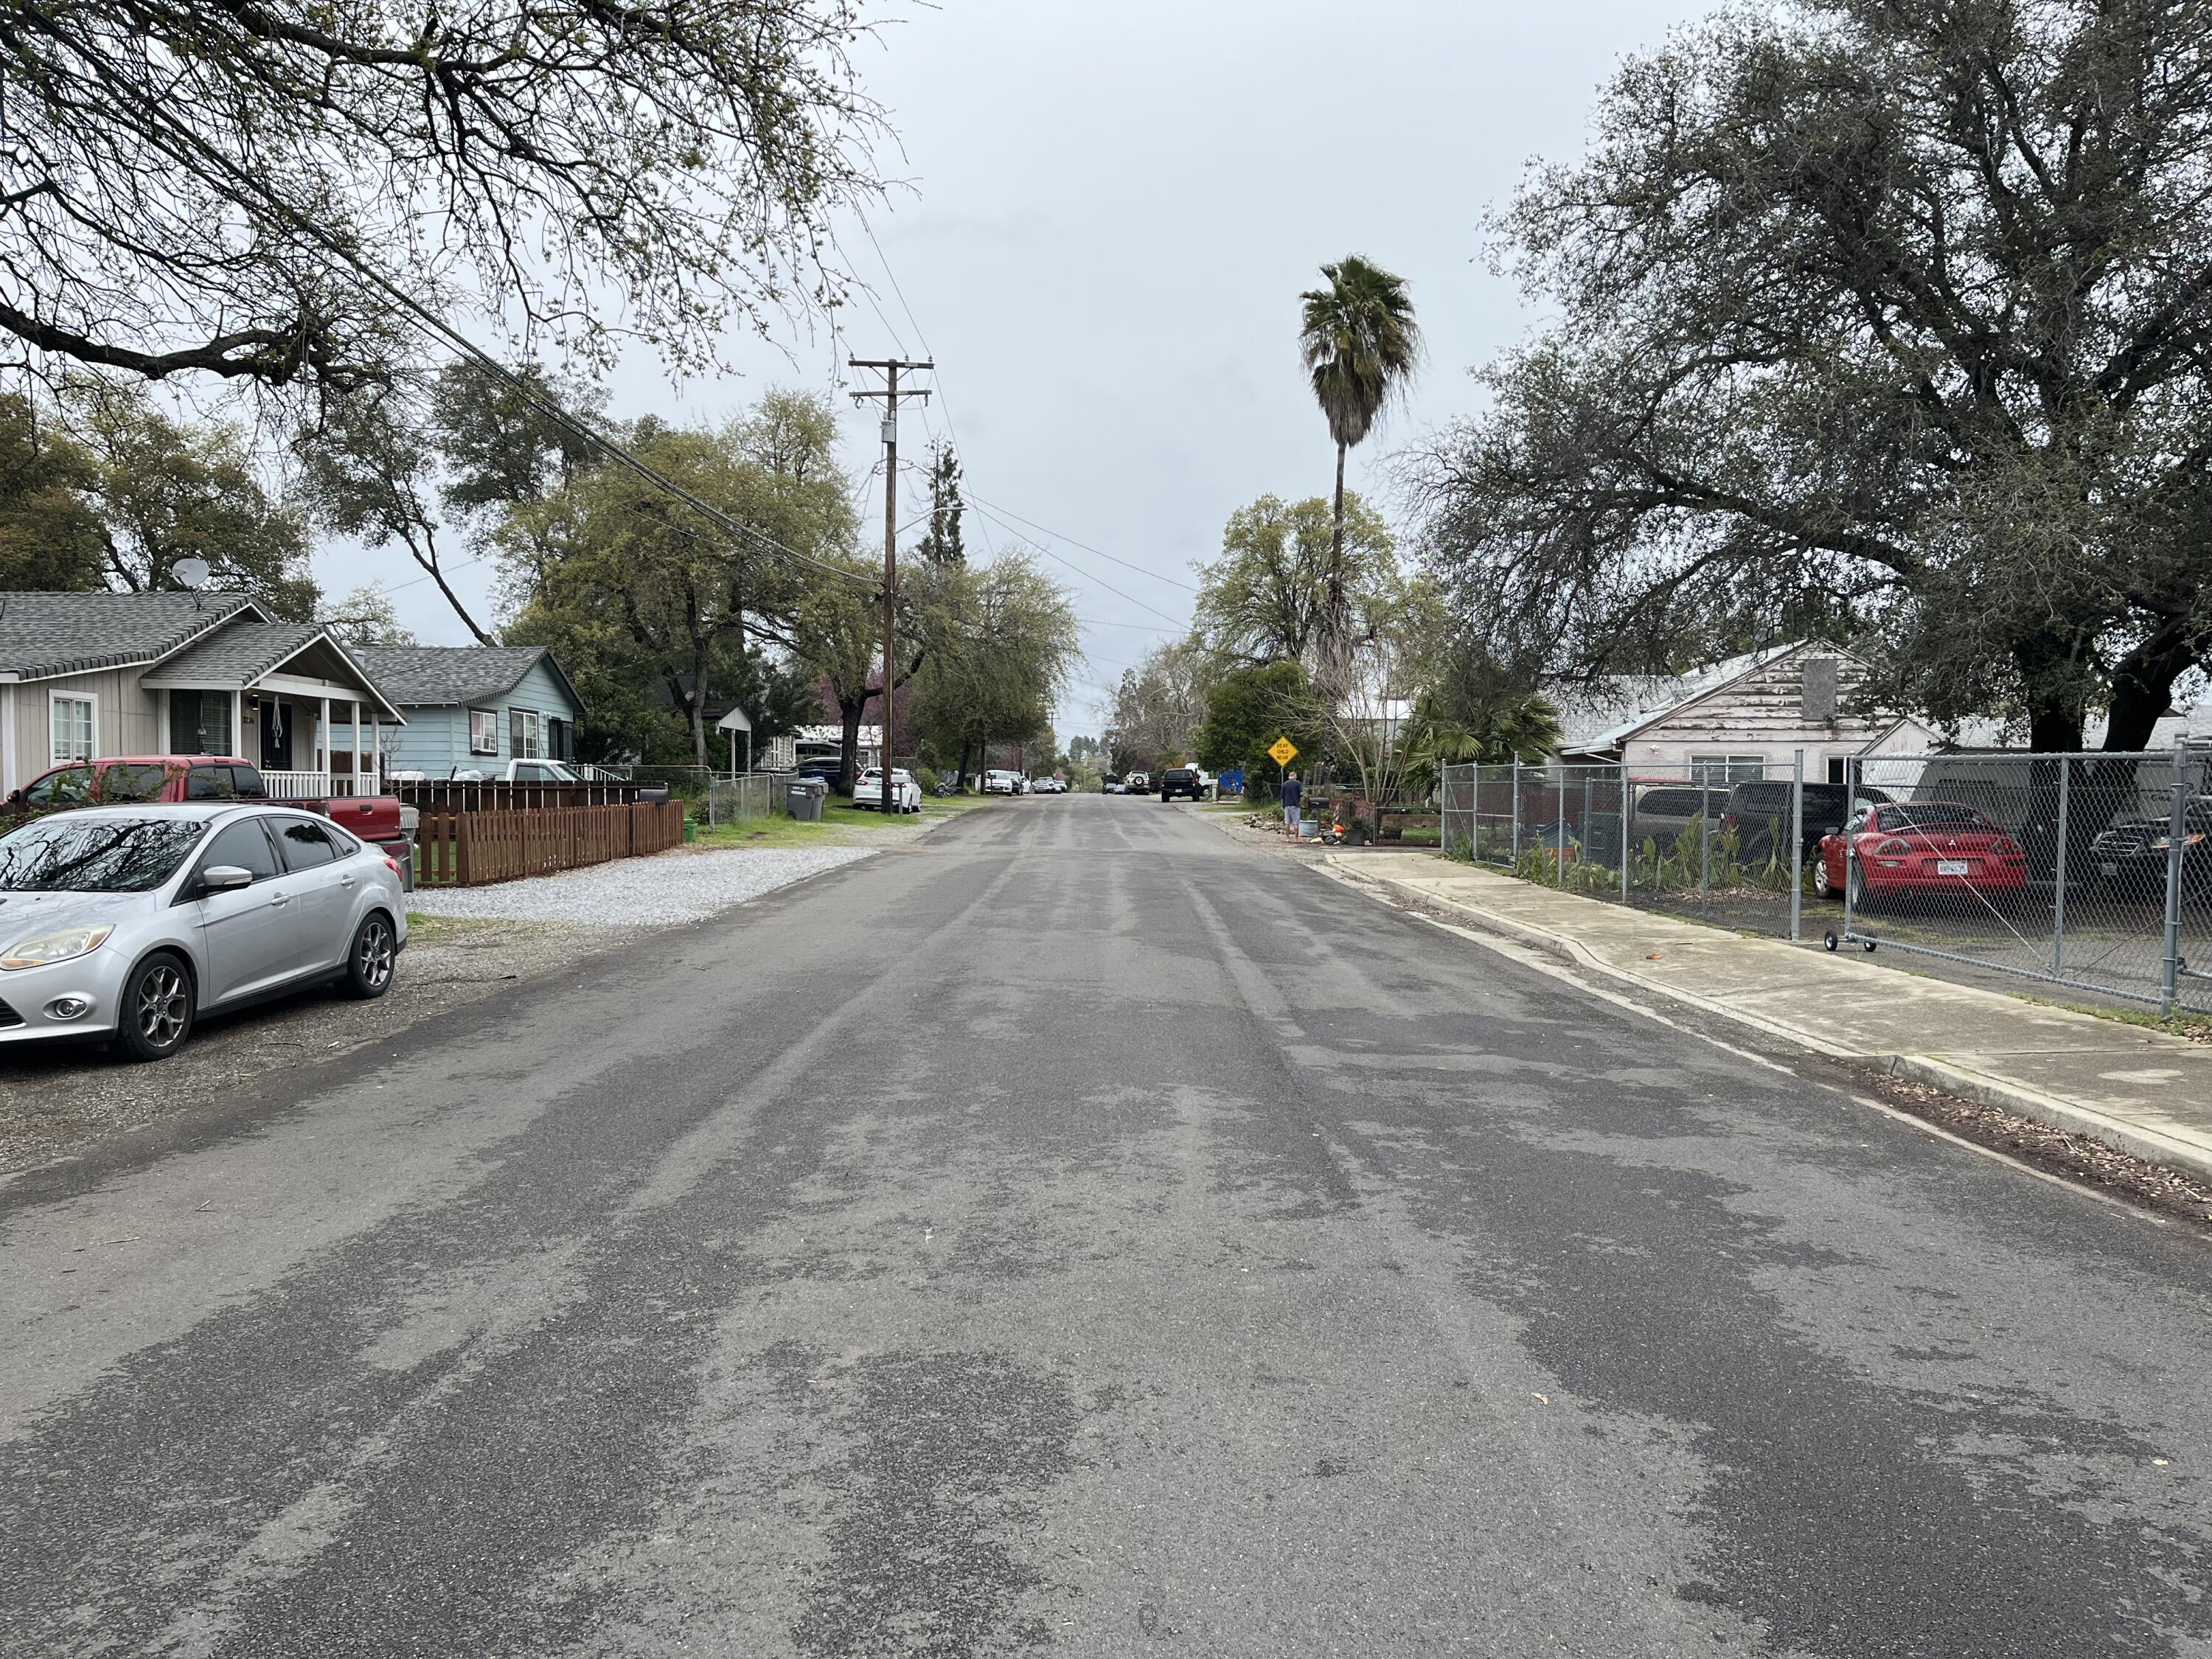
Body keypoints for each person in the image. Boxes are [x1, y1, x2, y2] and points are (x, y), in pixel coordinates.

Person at [1281, 771, 1302, 837]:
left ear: (1289, 777)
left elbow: (1282, 795)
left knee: (1287, 822)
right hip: (1295, 805)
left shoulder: (1285, 784)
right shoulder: (1298, 783)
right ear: (1295, 776)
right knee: (1296, 823)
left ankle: (1287, 838)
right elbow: (1301, 793)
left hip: (1286, 805)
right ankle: (1296, 838)